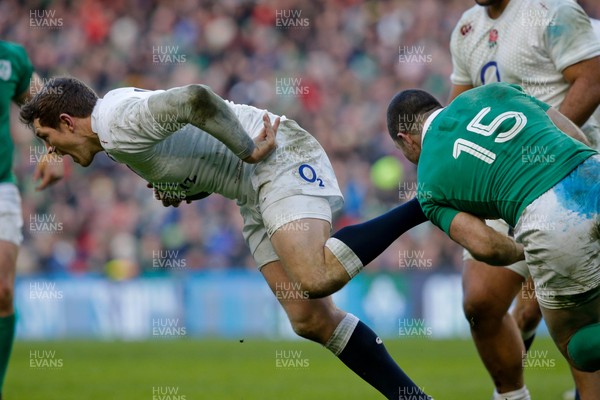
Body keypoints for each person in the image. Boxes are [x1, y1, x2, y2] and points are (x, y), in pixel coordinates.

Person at [20, 76, 431, 400]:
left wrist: (247, 149)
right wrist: (183, 186)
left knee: (314, 274)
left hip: (276, 157)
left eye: (46, 139)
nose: (51, 151)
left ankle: (424, 204)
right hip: (250, 189)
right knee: (310, 319)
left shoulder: (118, 122)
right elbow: (195, 147)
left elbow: (195, 98)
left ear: (68, 123)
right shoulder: (113, 134)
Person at [387, 82, 600, 399]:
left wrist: (523, 250)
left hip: (555, 223)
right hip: (591, 172)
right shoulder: (490, 92)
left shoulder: (429, 183)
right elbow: (571, 132)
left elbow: (485, 245)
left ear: (405, 140)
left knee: (579, 346)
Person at [448, 0, 600, 398]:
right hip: (502, 183)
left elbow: (593, 79)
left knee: (567, 311)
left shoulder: (554, 11)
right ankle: (513, 396)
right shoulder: (466, 29)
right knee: (481, 303)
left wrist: (543, 150)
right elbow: (459, 109)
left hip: (566, 177)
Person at [0, 41, 64, 400]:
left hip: (1, 185)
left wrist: (53, 152)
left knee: (3, 291)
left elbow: (43, 104)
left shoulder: (10, 58)